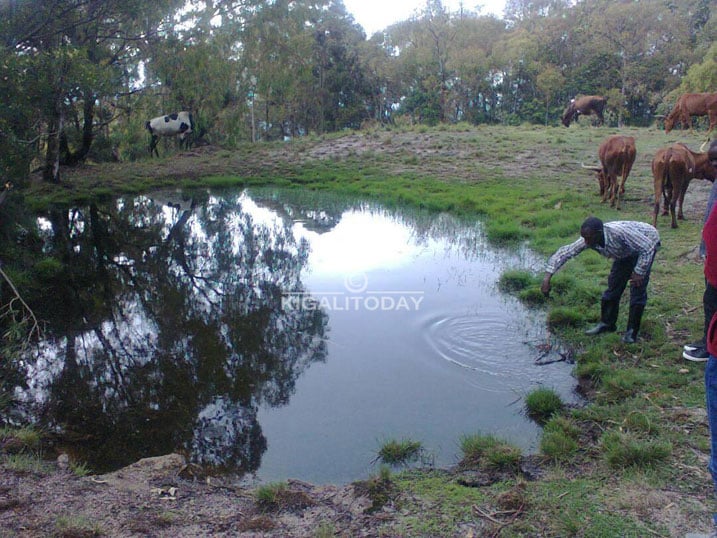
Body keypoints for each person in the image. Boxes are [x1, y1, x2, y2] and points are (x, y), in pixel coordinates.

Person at [540, 217, 660, 343]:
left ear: (599, 233)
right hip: (625, 252)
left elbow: (647, 248)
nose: (586, 242)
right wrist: (547, 278)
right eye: (584, 238)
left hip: (647, 242)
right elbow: (564, 253)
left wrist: (639, 272)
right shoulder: (589, 238)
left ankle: (631, 333)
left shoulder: (619, 233)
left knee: (637, 289)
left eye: (588, 238)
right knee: (613, 287)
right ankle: (607, 324)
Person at [683, 139, 717, 362]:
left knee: (712, 301)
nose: (713, 165)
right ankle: (708, 341)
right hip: (711, 253)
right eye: (711, 160)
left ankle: (710, 347)